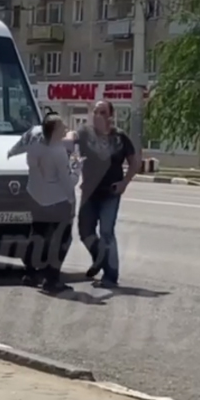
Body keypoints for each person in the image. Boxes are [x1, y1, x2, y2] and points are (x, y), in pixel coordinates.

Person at [76, 100, 140, 289]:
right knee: (85, 231)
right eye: (96, 112)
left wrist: (125, 183)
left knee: (106, 232)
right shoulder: (85, 134)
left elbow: (135, 161)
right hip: (89, 192)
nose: (98, 115)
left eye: (103, 112)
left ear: (110, 116)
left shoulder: (120, 137)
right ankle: (99, 259)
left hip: (110, 193)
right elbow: (70, 140)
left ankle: (110, 276)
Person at [12, 114, 76, 293]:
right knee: (62, 238)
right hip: (56, 200)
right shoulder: (57, 152)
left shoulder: (35, 142)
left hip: (36, 197)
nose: (65, 129)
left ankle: (31, 274)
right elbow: (67, 182)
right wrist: (78, 169)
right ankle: (52, 279)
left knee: (38, 235)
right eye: (62, 127)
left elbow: (21, 148)